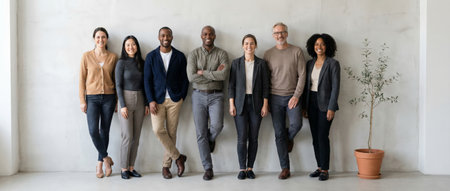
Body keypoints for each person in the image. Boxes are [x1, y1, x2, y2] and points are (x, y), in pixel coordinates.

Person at [144, 27, 189, 179]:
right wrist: (150, 100)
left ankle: (166, 167)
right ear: (158, 37)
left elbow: (185, 79)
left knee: (172, 133)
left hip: (175, 100)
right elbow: (147, 81)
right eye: (163, 35)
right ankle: (178, 157)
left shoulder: (180, 56)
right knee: (157, 130)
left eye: (168, 35)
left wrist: (182, 96)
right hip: (157, 100)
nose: (166, 37)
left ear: (172, 37)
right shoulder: (151, 57)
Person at [263, 22, 306, 179]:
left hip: (292, 96)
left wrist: (296, 96)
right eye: (276, 33)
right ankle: (285, 168)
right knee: (278, 133)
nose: (279, 35)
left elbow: (302, 75)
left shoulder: (296, 51)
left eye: (282, 32)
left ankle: (288, 138)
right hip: (274, 98)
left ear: (287, 34)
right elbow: (265, 80)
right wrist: (265, 101)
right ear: (273, 35)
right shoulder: (268, 54)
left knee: (297, 124)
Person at [187, 25, 229, 181]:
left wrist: (202, 72)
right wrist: (213, 74)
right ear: (201, 36)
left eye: (211, 34)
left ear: (215, 36)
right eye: (205, 34)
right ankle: (208, 168)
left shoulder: (222, 53)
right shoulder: (194, 54)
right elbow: (191, 77)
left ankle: (211, 140)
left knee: (218, 125)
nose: (208, 36)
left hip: (216, 95)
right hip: (198, 96)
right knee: (200, 133)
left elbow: (223, 74)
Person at [228, 34, 270, 180]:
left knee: (253, 137)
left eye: (252, 43)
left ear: (256, 45)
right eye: (246, 43)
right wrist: (231, 104)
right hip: (240, 103)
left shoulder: (261, 64)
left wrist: (265, 105)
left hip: (256, 103)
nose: (249, 46)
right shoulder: (236, 63)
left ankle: (250, 168)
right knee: (241, 137)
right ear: (242, 46)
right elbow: (231, 86)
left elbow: (266, 86)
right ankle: (242, 168)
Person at [79, 27, 118, 178]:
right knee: (93, 130)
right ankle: (106, 158)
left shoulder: (113, 57)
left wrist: (116, 101)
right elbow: (81, 80)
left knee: (105, 131)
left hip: (109, 98)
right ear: (94, 39)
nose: (100, 40)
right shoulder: (86, 56)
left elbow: (116, 80)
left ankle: (100, 164)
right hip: (92, 98)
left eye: (103, 37)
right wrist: (82, 100)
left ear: (107, 39)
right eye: (98, 37)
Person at [303, 33, 340, 181]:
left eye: (322, 44)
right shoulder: (309, 63)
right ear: (313, 46)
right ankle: (319, 167)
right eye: (316, 44)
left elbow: (336, 87)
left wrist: (331, 107)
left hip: (326, 104)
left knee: (322, 136)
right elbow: (307, 87)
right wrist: (304, 107)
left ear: (327, 46)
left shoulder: (333, 64)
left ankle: (325, 169)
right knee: (314, 138)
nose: (319, 47)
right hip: (311, 102)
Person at [116, 35, 150, 179]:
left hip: (140, 100)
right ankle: (123, 168)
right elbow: (118, 85)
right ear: (124, 47)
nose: (131, 47)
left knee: (136, 136)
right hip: (126, 100)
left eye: (133, 44)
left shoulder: (142, 63)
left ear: (137, 46)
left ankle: (131, 167)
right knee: (127, 136)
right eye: (128, 45)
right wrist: (122, 105)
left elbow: (146, 84)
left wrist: (147, 103)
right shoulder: (121, 63)